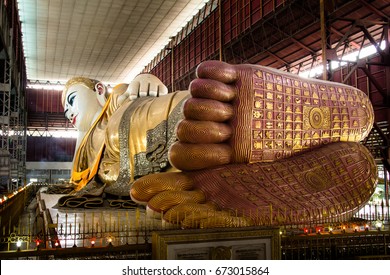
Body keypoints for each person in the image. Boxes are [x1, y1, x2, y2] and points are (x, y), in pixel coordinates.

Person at [59, 60, 377, 228]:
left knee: (198, 116)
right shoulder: (83, 153)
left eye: (72, 101)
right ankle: (247, 166)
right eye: (65, 111)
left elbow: (134, 91)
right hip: (154, 166)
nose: (69, 113)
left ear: (99, 89)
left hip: (145, 123)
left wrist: (147, 78)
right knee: (186, 165)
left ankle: (239, 121)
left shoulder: (115, 98)